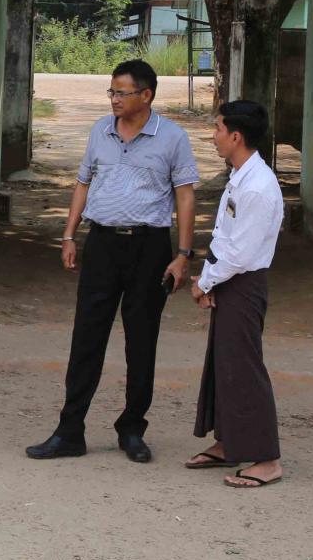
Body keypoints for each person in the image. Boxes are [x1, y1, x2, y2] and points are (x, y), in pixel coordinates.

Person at [27, 59, 198, 464]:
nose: (114, 99)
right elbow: (83, 183)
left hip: (149, 248)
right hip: (102, 244)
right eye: (112, 91)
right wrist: (69, 235)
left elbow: (185, 195)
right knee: (86, 338)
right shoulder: (100, 131)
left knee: (142, 341)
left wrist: (183, 255)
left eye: (122, 92)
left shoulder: (172, 137)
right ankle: (70, 430)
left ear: (146, 95)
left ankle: (132, 429)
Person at [185, 100, 286, 489]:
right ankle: (229, 442)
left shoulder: (258, 187)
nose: (213, 136)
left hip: (244, 283)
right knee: (224, 364)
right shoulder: (241, 176)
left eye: (217, 129)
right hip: (229, 279)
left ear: (236, 136)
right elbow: (224, 237)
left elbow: (241, 253)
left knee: (244, 368)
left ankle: (267, 459)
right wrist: (210, 276)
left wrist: (205, 282)